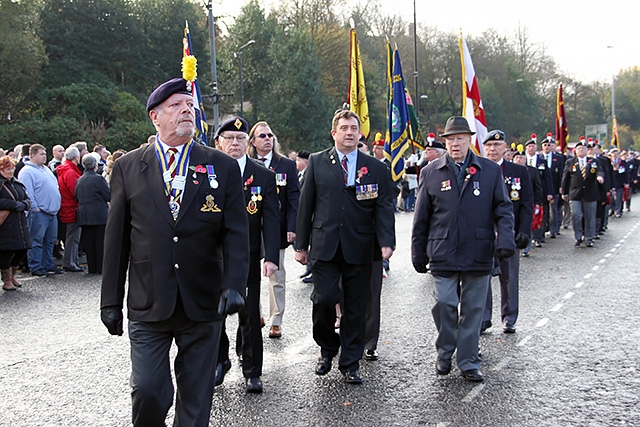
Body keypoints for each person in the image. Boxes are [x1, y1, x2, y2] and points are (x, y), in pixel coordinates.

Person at [100, 77, 249, 426]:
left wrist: (233, 285)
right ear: (155, 116)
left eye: (189, 105)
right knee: (150, 390)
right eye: (176, 106)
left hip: (202, 300)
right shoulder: (128, 167)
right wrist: (110, 301)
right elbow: (116, 239)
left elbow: (236, 231)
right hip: (149, 301)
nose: (187, 110)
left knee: (196, 402)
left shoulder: (221, 165)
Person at [294, 110, 395, 384]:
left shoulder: (375, 167)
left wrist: (387, 241)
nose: (349, 132)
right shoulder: (317, 162)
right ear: (334, 133)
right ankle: (327, 348)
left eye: (354, 128)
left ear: (359, 133)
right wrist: (301, 245)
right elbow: (306, 206)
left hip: (361, 246)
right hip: (325, 245)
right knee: (323, 299)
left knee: (356, 307)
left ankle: (350, 362)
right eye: (344, 128)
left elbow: (384, 206)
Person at [411, 116, 515, 383]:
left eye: (460, 138)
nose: (455, 144)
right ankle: (446, 349)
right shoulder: (430, 171)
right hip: (443, 250)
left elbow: (503, 209)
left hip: (478, 250)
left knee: (472, 310)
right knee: (444, 302)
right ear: (445, 142)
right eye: (450, 139)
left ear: (470, 140)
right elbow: (421, 216)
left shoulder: (489, 170)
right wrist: (417, 251)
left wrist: (505, 240)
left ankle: (468, 360)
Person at [213, 116, 279, 393]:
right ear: (218, 142)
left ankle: (252, 371)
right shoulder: (207, 172)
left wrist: (272, 256)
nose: (235, 143)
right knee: (214, 314)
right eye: (229, 138)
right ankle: (219, 361)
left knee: (250, 314)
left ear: (247, 142)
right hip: (214, 256)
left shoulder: (263, 175)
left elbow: (272, 219)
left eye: (240, 138)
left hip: (248, 256)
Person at [247, 121, 299, 339]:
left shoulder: (286, 165)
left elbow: (294, 198)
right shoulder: (246, 165)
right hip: (250, 228)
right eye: (262, 136)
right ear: (253, 141)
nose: (267, 139)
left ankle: (276, 320)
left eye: (270, 135)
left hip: (276, 228)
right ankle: (255, 314)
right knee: (251, 276)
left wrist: (292, 227)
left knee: (276, 275)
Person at [481, 130, 533, 334]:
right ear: (484, 148)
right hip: (483, 233)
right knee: (482, 276)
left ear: (505, 148)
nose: (493, 149)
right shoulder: (478, 169)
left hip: (509, 233)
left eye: (497, 145)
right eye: (489, 146)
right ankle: (484, 317)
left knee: (509, 276)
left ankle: (509, 317)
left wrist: (524, 231)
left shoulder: (519, 172)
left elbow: (527, 204)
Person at [18, 144, 63, 277]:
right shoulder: (27, 171)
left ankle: (47, 263)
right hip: (39, 212)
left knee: (50, 240)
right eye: (41, 154)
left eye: (45, 154)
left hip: (51, 211)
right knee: (37, 240)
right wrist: (35, 208)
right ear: (32, 155)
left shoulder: (45, 169)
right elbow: (28, 192)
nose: (44, 156)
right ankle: (36, 265)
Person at [561, 139, 604, 247]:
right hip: (575, 193)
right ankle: (578, 236)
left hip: (590, 193)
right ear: (575, 150)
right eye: (579, 148)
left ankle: (589, 237)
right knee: (576, 215)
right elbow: (565, 178)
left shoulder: (593, 161)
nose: (581, 150)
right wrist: (564, 192)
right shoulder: (570, 162)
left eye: (584, 148)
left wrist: (600, 177)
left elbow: (599, 171)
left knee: (590, 217)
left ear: (587, 150)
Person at [0, 156, 32, 290]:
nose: (11, 171)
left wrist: (24, 204)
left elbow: (27, 199)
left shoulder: (17, 183)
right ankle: (7, 280)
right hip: (6, 223)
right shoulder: (1, 184)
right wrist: (14, 204)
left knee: (22, 249)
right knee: (6, 251)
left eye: (12, 168)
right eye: (8, 169)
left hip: (19, 221)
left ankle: (12, 276)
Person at [75, 153, 110, 274]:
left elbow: (76, 196)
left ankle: (92, 267)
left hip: (84, 214)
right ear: (95, 165)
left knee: (89, 242)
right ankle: (100, 267)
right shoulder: (99, 179)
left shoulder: (80, 179)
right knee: (100, 242)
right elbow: (108, 195)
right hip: (98, 213)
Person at [56, 145, 84, 272]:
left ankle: (72, 261)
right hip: (72, 208)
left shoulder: (65, 170)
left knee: (72, 237)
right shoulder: (71, 172)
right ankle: (70, 262)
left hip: (68, 207)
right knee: (73, 238)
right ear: (76, 157)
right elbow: (76, 192)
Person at [524, 138, 553, 247]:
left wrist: (549, 192)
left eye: (533, 146)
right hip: (526, 192)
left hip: (540, 191)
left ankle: (539, 237)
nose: (531, 148)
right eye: (529, 146)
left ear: (536, 148)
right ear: (526, 148)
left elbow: (547, 178)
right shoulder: (522, 159)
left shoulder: (542, 161)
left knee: (541, 214)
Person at [540, 134, 565, 238]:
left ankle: (554, 229)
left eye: (549, 145)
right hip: (542, 189)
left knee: (554, 210)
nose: (547, 147)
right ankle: (544, 228)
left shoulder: (558, 158)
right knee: (544, 211)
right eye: (545, 145)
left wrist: (561, 186)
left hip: (555, 187)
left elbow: (562, 173)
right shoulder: (539, 158)